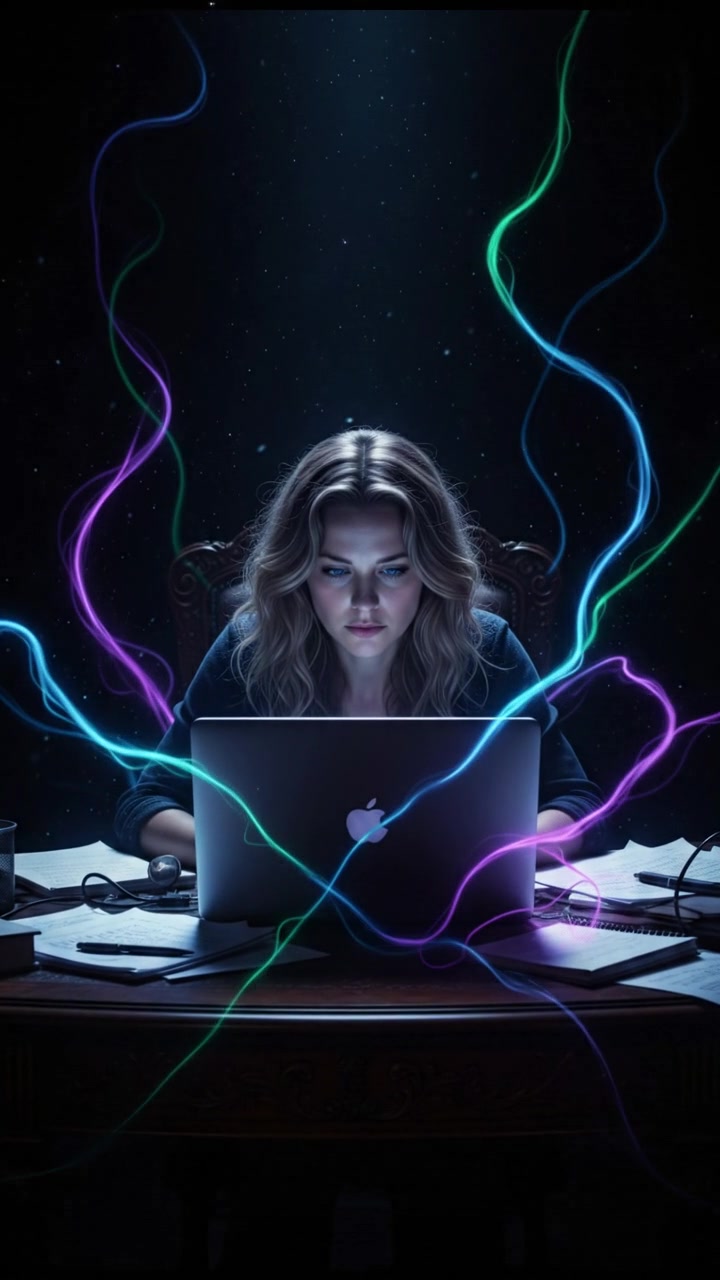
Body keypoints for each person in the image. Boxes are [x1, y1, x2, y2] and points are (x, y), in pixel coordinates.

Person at [113, 427, 604, 868]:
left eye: (392, 569)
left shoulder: (488, 649)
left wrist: (482, 859)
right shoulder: (247, 652)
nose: (364, 602)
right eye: (335, 570)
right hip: (284, 930)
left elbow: (578, 805)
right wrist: (263, 860)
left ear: (429, 571)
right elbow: (144, 806)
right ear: (300, 571)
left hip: (450, 929)